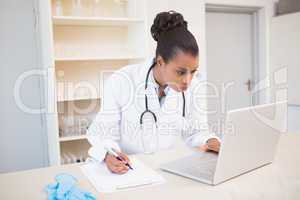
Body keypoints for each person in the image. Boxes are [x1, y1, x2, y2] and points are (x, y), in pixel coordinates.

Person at [87, 11, 221, 174]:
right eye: (180, 72)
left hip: (165, 169)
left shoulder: (194, 87)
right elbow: (104, 132)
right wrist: (108, 154)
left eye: (193, 71)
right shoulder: (122, 80)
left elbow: (197, 130)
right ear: (160, 62)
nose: (188, 80)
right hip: (127, 170)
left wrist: (211, 141)